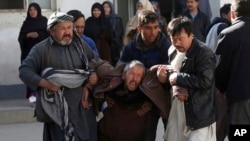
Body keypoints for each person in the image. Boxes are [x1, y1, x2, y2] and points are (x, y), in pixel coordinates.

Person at [19, 12, 99, 141]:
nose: (68, 32)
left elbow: (96, 62)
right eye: (63, 28)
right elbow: (24, 71)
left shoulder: (80, 45)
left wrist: (91, 80)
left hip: (81, 107)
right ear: (52, 30)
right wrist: (47, 84)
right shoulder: (41, 49)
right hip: (57, 110)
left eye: (69, 28)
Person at [156, 16, 216, 141]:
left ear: (190, 35)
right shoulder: (172, 50)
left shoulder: (204, 53)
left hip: (198, 114)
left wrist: (177, 78)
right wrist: (163, 78)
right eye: (173, 39)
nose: (177, 43)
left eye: (180, 39)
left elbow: (205, 81)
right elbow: (171, 78)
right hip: (177, 111)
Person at [117, 10, 171, 141]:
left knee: (171, 134)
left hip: (164, 97)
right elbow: (120, 70)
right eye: (148, 28)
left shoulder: (166, 46)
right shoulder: (131, 47)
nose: (153, 32)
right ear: (139, 28)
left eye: (156, 27)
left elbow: (170, 76)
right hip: (141, 98)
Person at [215, 1, 250, 140]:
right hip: (240, 98)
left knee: (240, 135)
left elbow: (219, 70)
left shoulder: (228, 34)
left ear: (233, 14)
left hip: (239, 100)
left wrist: (222, 89)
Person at [18, 2, 49, 103]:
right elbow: (20, 38)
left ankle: (43, 94)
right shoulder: (26, 23)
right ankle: (32, 95)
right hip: (29, 53)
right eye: (30, 10)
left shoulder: (44, 21)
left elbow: (50, 36)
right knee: (30, 73)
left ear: (38, 10)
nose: (32, 12)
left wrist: (38, 35)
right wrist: (28, 35)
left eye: (34, 10)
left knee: (42, 73)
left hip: (42, 53)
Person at [102, 1, 124, 66]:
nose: (105, 9)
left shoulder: (116, 18)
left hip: (113, 46)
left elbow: (119, 33)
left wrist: (115, 44)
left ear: (111, 8)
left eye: (107, 7)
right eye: (104, 7)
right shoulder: (101, 19)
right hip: (104, 46)